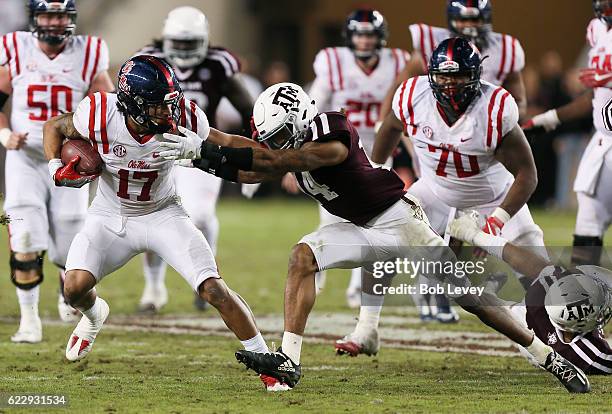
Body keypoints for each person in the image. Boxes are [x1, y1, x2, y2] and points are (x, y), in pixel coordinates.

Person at [158, 82, 590, 393]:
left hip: (397, 220)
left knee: (469, 297)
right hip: (358, 227)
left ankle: (544, 355)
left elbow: (278, 162)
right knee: (302, 256)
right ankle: (288, 360)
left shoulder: (332, 133)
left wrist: (206, 153)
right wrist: (200, 146)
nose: (274, 144)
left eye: (279, 136)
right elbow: (255, 160)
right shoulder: (292, 139)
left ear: (301, 120)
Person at [42, 55, 287, 392]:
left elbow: (226, 142)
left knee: (213, 288)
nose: (166, 111)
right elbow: (53, 126)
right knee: (73, 288)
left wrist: (273, 157)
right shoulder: (99, 113)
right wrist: (57, 166)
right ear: (132, 103)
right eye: (157, 105)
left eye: (169, 102)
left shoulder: (184, 115)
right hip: (110, 215)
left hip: (163, 213)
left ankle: (266, 362)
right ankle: (95, 313)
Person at [336, 38, 548, 357]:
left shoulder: (495, 108)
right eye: (444, 76)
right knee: (381, 237)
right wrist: (376, 172)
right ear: (432, 75)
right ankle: (366, 329)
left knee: (542, 276)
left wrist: (496, 221)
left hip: (493, 195)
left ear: (475, 76)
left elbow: (527, 175)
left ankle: (548, 338)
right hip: (436, 189)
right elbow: (390, 126)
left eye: (460, 76)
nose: (451, 84)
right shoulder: (413, 96)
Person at [0, 0, 114, 343]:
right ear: (35, 18)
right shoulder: (16, 48)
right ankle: (29, 320)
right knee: (24, 236)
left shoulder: (90, 52)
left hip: (69, 160)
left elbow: (107, 105)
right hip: (26, 157)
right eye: (48, 15)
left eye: (61, 15)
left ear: (71, 19)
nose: (54, 22)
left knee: (69, 244)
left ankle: (69, 294)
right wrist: (5, 135)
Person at [135, 6, 255, 312]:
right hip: (156, 150)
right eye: (180, 43)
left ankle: (209, 276)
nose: (186, 50)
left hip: (198, 149)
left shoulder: (217, 64)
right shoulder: (149, 60)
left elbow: (248, 109)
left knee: (200, 216)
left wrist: (252, 155)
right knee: (152, 218)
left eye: (192, 43)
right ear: (166, 39)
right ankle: (154, 288)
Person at [307, 8, 410, 307]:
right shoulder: (333, 63)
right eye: (359, 34)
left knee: (374, 221)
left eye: (370, 35)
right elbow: (313, 107)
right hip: (340, 149)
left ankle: (356, 288)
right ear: (349, 37)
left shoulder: (397, 64)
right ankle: (318, 257)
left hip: (379, 149)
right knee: (332, 217)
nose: (364, 41)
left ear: (380, 38)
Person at [449, 212, 612, 376]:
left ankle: (489, 287)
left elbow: (530, 263)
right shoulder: (593, 356)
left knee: (491, 306)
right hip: (539, 330)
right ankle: (488, 288)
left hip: (536, 327)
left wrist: (473, 235)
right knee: (490, 305)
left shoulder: (548, 299)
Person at [523, 0, 612, 267]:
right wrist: (551, 118)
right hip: (604, 140)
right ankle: (588, 291)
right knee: (589, 217)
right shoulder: (597, 29)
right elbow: (593, 98)